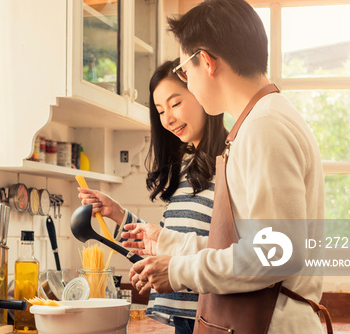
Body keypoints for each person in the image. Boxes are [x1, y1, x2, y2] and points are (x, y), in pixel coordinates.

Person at [125, 0, 326, 333]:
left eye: (185, 73)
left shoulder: (265, 126)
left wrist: (178, 271)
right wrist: (170, 246)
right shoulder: (260, 120)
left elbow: (273, 255)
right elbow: (242, 245)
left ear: (206, 61)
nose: (187, 83)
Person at [78, 59, 228, 334]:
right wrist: (118, 214)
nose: (168, 118)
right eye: (160, 110)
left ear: (200, 92)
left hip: (217, 317)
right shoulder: (186, 167)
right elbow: (169, 245)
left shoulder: (232, 163)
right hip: (185, 317)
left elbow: (233, 252)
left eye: (175, 103)